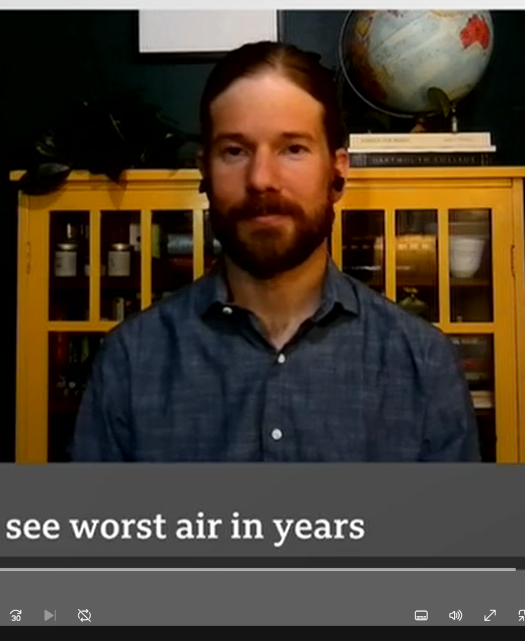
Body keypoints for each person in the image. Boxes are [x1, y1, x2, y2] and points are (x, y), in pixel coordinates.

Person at [70, 42, 479, 462]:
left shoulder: (424, 364)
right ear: (204, 171)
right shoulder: (131, 361)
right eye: (235, 151)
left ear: (337, 172)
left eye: (293, 148)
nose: (261, 179)